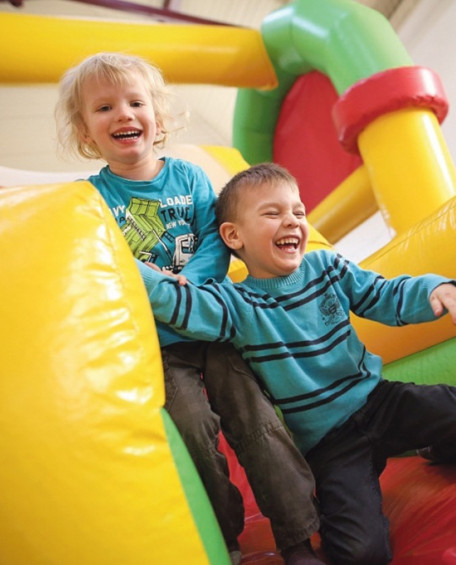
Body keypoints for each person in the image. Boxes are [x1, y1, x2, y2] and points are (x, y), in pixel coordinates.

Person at [136, 162, 456, 565]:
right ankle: (344, 499)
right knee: (362, 555)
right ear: (234, 236)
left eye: (298, 211)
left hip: (379, 402)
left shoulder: (326, 268)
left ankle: (435, 449)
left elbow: (382, 294)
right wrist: (133, 270)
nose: (291, 221)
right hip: (330, 443)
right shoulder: (235, 303)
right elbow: (181, 303)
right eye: (273, 213)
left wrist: (435, 288)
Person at [54, 53, 322, 565]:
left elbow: (215, 240)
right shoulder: (89, 200)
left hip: (212, 327)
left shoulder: (190, 177)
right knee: (191, 430)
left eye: (136, 103)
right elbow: (98, 259)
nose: (123, 114)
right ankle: (223, 536)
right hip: (158, 346)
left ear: (157, 117)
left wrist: (189, 284)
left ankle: (297, 534)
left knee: (258, 419)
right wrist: (157, 284)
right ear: (86, 131)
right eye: (105, 108)